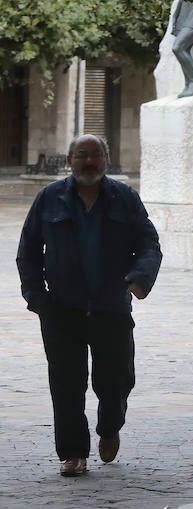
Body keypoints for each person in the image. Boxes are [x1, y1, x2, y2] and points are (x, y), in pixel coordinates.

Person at [16, 134, 163, 477]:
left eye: (95, 155)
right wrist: (38, 299)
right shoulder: (49, 198)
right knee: (66, 383)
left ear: (106, 158)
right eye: (82, 155)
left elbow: (148, 243)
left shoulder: (124, 198)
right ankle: (73, 453)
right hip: (62, 309)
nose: (89, 162)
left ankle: (110, 426)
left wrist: (140, 277)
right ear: (69, 160)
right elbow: (28, 251)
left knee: (117, 379)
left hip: (111, 306)